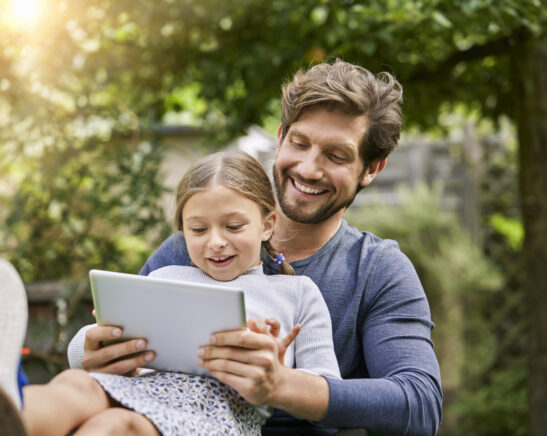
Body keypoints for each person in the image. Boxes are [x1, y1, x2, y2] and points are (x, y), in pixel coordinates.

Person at [69, 60, 443, 435]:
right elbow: (123, 350)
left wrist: (283, 386)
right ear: (280, 138)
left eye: (336, 155)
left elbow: (419, 404)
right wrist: (95, 351)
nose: (309, 168)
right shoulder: (190, 247)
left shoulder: (377, 269)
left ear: (371, 168)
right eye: (299, 143)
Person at [1, 151, 341, 436]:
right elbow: (89, 353)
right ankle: (10, 408)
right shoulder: (166, 277)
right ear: (182, 231)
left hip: (214, 413)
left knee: (118, 425)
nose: (216, 241)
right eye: (198, 229)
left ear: (267, 225)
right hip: (140, 385)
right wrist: (94, 339)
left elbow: (326, 392)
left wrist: (280, 375)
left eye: (234, 226)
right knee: (76, 384)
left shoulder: (296, 292)